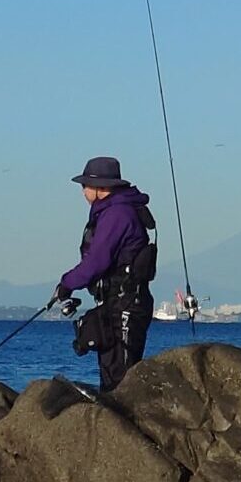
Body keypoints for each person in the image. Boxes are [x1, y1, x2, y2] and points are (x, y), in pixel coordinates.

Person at [53, 156, 157, 394]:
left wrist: (66, 284)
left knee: (120, 379)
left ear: (100, 188)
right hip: (117, 301)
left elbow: (97, 262)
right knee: (112, 372)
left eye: (84, 185)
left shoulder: (117, 214)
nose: (82, 192)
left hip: (126, 303)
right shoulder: (114, 211)